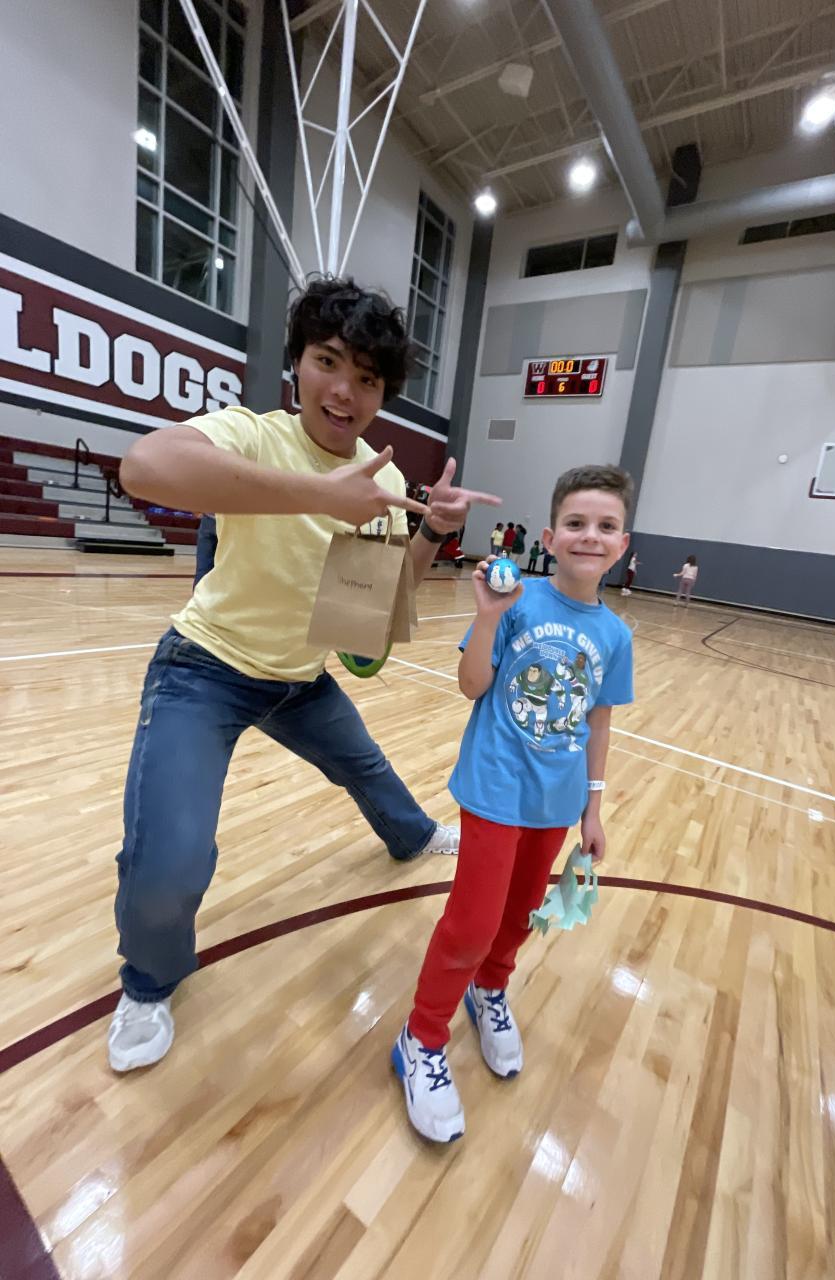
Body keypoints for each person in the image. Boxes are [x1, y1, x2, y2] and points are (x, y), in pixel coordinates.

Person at [107, 276, 499, 1073]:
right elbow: (143, 467)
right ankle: (148, 982)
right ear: (297, 363)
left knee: (367, 767)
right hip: (205, 669)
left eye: (367, 377)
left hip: (299, 679)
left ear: (382, 394)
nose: (344, 390)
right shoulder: (251, 435)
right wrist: (320, 494)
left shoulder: (384, 484)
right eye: (328, 362)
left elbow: (373, 611)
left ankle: (413, 836)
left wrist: (432, 533)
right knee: (171, 860)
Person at [392, 464, 635, 1142]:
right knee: (471, 923)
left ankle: (490, 989)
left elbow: (599, 723)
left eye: (607, 526)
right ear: (550, 538)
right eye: (577, 523)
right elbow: (471, 686)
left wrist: (592, 809)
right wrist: (488, 618)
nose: (591, 536)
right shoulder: (517, 600)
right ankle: (422, 1036)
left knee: (521, 915)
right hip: (495, 789)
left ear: (623, 545)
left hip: (557, 803)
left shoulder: (616, 636)